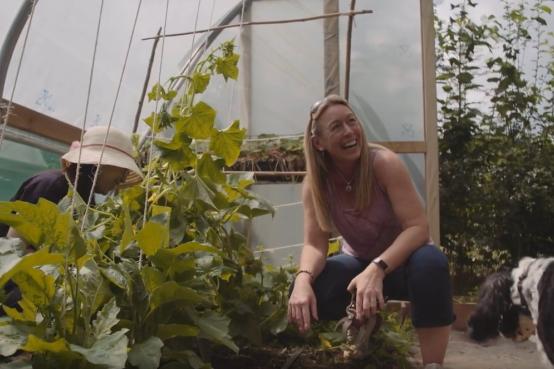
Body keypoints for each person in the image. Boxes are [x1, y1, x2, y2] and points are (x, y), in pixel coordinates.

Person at [287, 95, 454, 369]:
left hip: (404, 263)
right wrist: (302, 280)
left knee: (432, 264)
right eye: (336, 127)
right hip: (360, 263)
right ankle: (361, 331)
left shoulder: (383, 163)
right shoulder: (316, 184)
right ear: (319, 143)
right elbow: (315, 245)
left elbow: (418, 228)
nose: (350, 131)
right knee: (314, 284)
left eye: (352, 121)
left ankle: (432, 364)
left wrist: (377, 269)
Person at [0, 125, 143, 309]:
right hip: (13, 288)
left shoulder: (86, 200)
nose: (123, 178)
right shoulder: (51, 185)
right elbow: (13, 248)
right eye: (121, 168)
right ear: (100, 164)